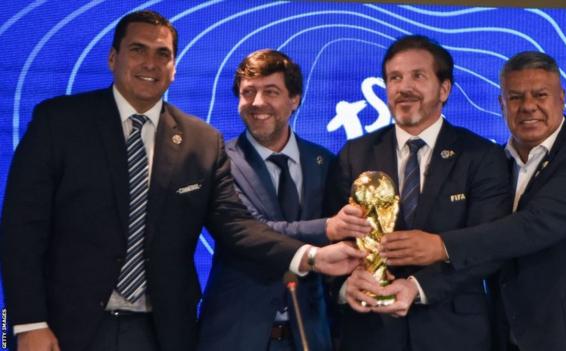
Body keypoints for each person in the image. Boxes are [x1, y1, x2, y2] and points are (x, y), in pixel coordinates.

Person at [0, 10, 363, 351]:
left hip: (163, 332)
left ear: (173, 68)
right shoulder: (59, 122)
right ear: (113, 58)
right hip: (66, 328)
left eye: (163, 54)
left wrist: (311, 257)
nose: (150, 63)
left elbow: (236, 227)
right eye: (138, 50)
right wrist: (29, 322)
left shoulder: (201, 141)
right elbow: (22, 229)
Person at [381, 51, 566, 350]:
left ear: (562, 98)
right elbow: (489, 244)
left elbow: (533, 226)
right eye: (516, 97)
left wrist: (441, 246)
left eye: (540, 95)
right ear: (501, 104)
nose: (528, 107)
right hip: (512, 331)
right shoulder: (495, 161)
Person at [325, 35, 512, 351]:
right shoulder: (353, 154)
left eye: (418, 76)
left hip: (453, 333)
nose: (403, 87)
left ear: (444, 89)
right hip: (369, 332)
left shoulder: (481, 156)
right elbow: (331, 239)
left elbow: (490, 246)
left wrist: (418, 286)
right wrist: (345, 285)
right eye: (394, 78)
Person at [197, 49, 366, 351]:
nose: (257, 103)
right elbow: (250, 231)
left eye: (271, 92)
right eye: (248, 93)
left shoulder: (324, 162)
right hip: (235, 335)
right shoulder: (218, 160)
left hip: (310, 335)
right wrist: (328, 228)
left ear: (295, 100)